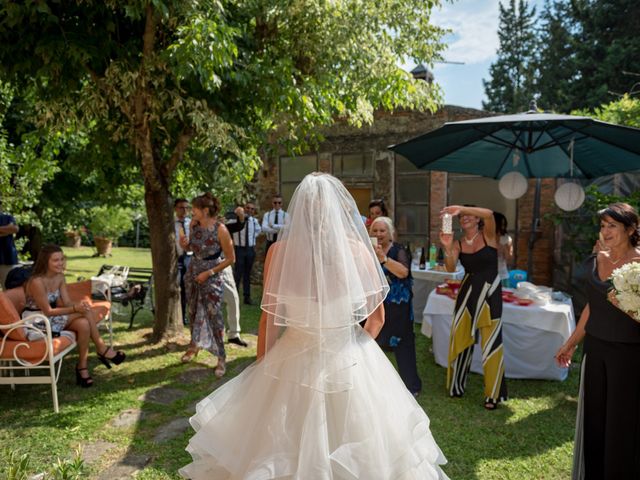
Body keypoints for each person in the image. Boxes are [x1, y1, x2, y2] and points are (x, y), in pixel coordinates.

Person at [181, 173, 449, 479]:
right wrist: (357, 351)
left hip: (290, 358)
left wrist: (263, 369)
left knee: (274, 447)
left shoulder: (278, 252)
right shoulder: (360, 251)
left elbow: (268, 320)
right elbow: (377, 320)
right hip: (348, 358)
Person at [555, 203, 640, 479]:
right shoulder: (596, 258)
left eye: (612, 226)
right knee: (594, 419)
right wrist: (571, 343)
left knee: (621, 423)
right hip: (595, 350)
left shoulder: (639, 264)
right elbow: (591, 307)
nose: (605, 231)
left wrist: (626, 306)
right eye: (602, 226)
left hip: (627, 355)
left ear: (630, 229)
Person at [22, 244, 125, 387]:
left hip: (51, 317)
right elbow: (48, 311)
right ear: (45, 262)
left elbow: (67, 302)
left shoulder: (59, 277)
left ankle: (82, 366)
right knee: (85, 313)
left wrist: (80, 305)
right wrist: (77, 308)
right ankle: (101, 349)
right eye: (55, 260)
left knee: (83, 323)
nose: (61, 263)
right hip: (37, 322)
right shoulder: (36, 282)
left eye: (62, 259)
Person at [440, 204, 507, 410]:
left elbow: (489, 213)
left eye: (470, 215)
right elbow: (451, 268)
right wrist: (447, 246)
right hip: (467, 291)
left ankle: (492, 395)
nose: (465, 218)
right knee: (460, 336)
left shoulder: (489, 234)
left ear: (478, 219)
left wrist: (460, 208)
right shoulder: (459, 242)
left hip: (490, 292)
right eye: (462, 217)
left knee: (491, 343)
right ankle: (457, 385)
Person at [179, 193, 235, 377]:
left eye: (193, 209)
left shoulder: (221, 229)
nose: (190, 212)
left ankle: (221, 357)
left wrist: (209, 273)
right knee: (193, 311)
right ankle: (193, 346)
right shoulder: (193, 225)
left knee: (214, 314)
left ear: (204, 210)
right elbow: (191, 249)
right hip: (193, 272)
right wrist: (185, 244)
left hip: (211, 275)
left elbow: (230, 259)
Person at [369, 216, 422, 397]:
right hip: (377, 305)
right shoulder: (367, 251)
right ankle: (375, 384)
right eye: (375, 231)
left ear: (390, 233)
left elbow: (403, 272)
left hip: (398, 305)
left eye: (382, 231)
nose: (378, 234)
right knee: (373, 344)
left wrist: (383, 259)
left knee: (403, 345)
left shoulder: (399, 250)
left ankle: (411, 386)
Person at [232, 201, 261, 305]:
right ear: (244, 208)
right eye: (248, 208)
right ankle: (233, 297)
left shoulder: (254, 221)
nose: (249, 210)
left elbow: (258, 231)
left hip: (250, 249)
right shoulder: (236, 220)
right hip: (239, 249)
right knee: (238, 273)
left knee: (247, 274)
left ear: (254, 211)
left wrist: (252, 239)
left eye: (252, 209)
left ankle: (247, 297)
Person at [174, 198, 192, 325]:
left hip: (189, 258)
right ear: (175, 209)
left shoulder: (192, 223)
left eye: (187, 208)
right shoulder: (171, 224)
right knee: (177, 286)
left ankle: (185, 315)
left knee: (188, 288)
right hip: (176, 258)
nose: (184, 210)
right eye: (181, 207)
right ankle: (177, 315)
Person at [0, 200, 19, 290]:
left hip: (8, 258)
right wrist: (6, 230)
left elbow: (14, 229)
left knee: (9, 289)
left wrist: (9, 229)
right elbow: (10, 229)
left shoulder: (8, 217)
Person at [493, 211, 513, 287]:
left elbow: (510, 261)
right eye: (500, 224)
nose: (503, 227)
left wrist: (504, 248)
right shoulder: (483, 238)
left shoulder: (506, 239)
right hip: (487, 276)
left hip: (502, 276)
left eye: (504, 225)